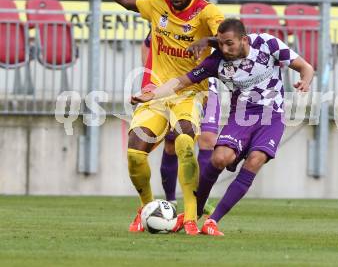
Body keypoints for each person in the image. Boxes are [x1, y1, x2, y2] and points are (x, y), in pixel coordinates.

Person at [131, 18, 314, 236]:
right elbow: (180, 82)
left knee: (255, 160)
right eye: (220, 44)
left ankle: (213, 221)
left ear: (244, 40)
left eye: (230, 44)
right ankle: (195, 212)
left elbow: (305, 67)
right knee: (219, 159)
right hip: (241, 117)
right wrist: (151, 95)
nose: (225, 49)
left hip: (271, 118)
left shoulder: (268, 44)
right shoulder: (215, 62)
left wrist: (305, 81)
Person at [85, 0, 224, 235]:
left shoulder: (206, 12)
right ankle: (147, 208)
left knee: (185, 140)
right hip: (156, 95)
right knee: (135, 152)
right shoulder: (157, 6)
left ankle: (190, 217)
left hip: (189, 94)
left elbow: (228, 36)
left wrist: (207, 39)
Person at [141, 0, 218, 213]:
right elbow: (148, 47)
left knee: (207, 141)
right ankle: (171, 201)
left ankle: (198, 202)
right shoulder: (167, 17)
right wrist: (150, 82)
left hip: (205, 87)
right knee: (173, 144)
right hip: (173, 89)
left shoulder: (208, 17)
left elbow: (228, 43)